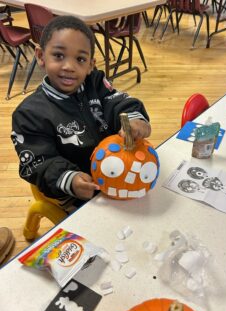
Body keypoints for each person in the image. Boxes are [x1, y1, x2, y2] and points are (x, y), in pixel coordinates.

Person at [11, 15, 151, 211]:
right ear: (41, 56)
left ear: (90, 65)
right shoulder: (29, 114)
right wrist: (71, 179)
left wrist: (134, 119)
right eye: (59, 56)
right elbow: (37, 163)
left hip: (117, 173)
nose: (69, 66)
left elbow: (118, 102)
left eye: (80, 59)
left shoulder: (95, 82)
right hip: (76, 192)